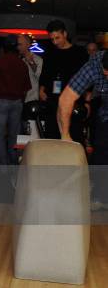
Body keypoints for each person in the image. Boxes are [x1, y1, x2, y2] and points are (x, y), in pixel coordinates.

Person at [58, 50, 108, 209]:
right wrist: (65, 135)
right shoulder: (94, 66)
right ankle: (100, 198)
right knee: (101, 149)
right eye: (106, 73)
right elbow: (65, 99)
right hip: (106, 113)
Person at [39, 20, 87, 141]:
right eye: (52, 39)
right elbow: (45, 74)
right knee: (52, 134)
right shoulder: (50, 53)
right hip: (53, 99)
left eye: (57, 38)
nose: (55, 42)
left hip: (73, 99)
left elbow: (87, 78)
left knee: (73, 134)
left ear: (65, 34)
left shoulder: (80, 53)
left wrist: (87, 101)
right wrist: (41, 89)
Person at [0, 36, 31, 165]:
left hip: (0, 101)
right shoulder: (22, 64)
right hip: (17, 102)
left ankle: (2, 166)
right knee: (14, 136)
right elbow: (26, 88)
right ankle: (13, 163)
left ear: (4, 47)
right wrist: (21, 100)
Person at [17, 34, 42, 103]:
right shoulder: (18, 60)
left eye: (20, 44)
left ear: (28, 45)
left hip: (31, 99)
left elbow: (39, 76)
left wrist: (31, 62)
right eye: (17, 44)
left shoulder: (37, 59)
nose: (18, 47)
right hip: (18, 100)